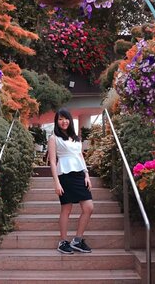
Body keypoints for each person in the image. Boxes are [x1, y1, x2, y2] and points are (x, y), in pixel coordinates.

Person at [47, 108, 93, 254]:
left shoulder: (77, 138)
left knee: (89, 207)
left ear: (70, 120)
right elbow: (53, 162)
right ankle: (63, 242)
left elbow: (80, 156)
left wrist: (86, 174)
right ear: (56, 121)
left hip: (79, 174)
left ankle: (77, 240)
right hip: (65, 176)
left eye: (66, 118)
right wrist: (56, 182)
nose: (63, 121)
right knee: (66, 209)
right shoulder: (54, 138)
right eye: (60, 119)